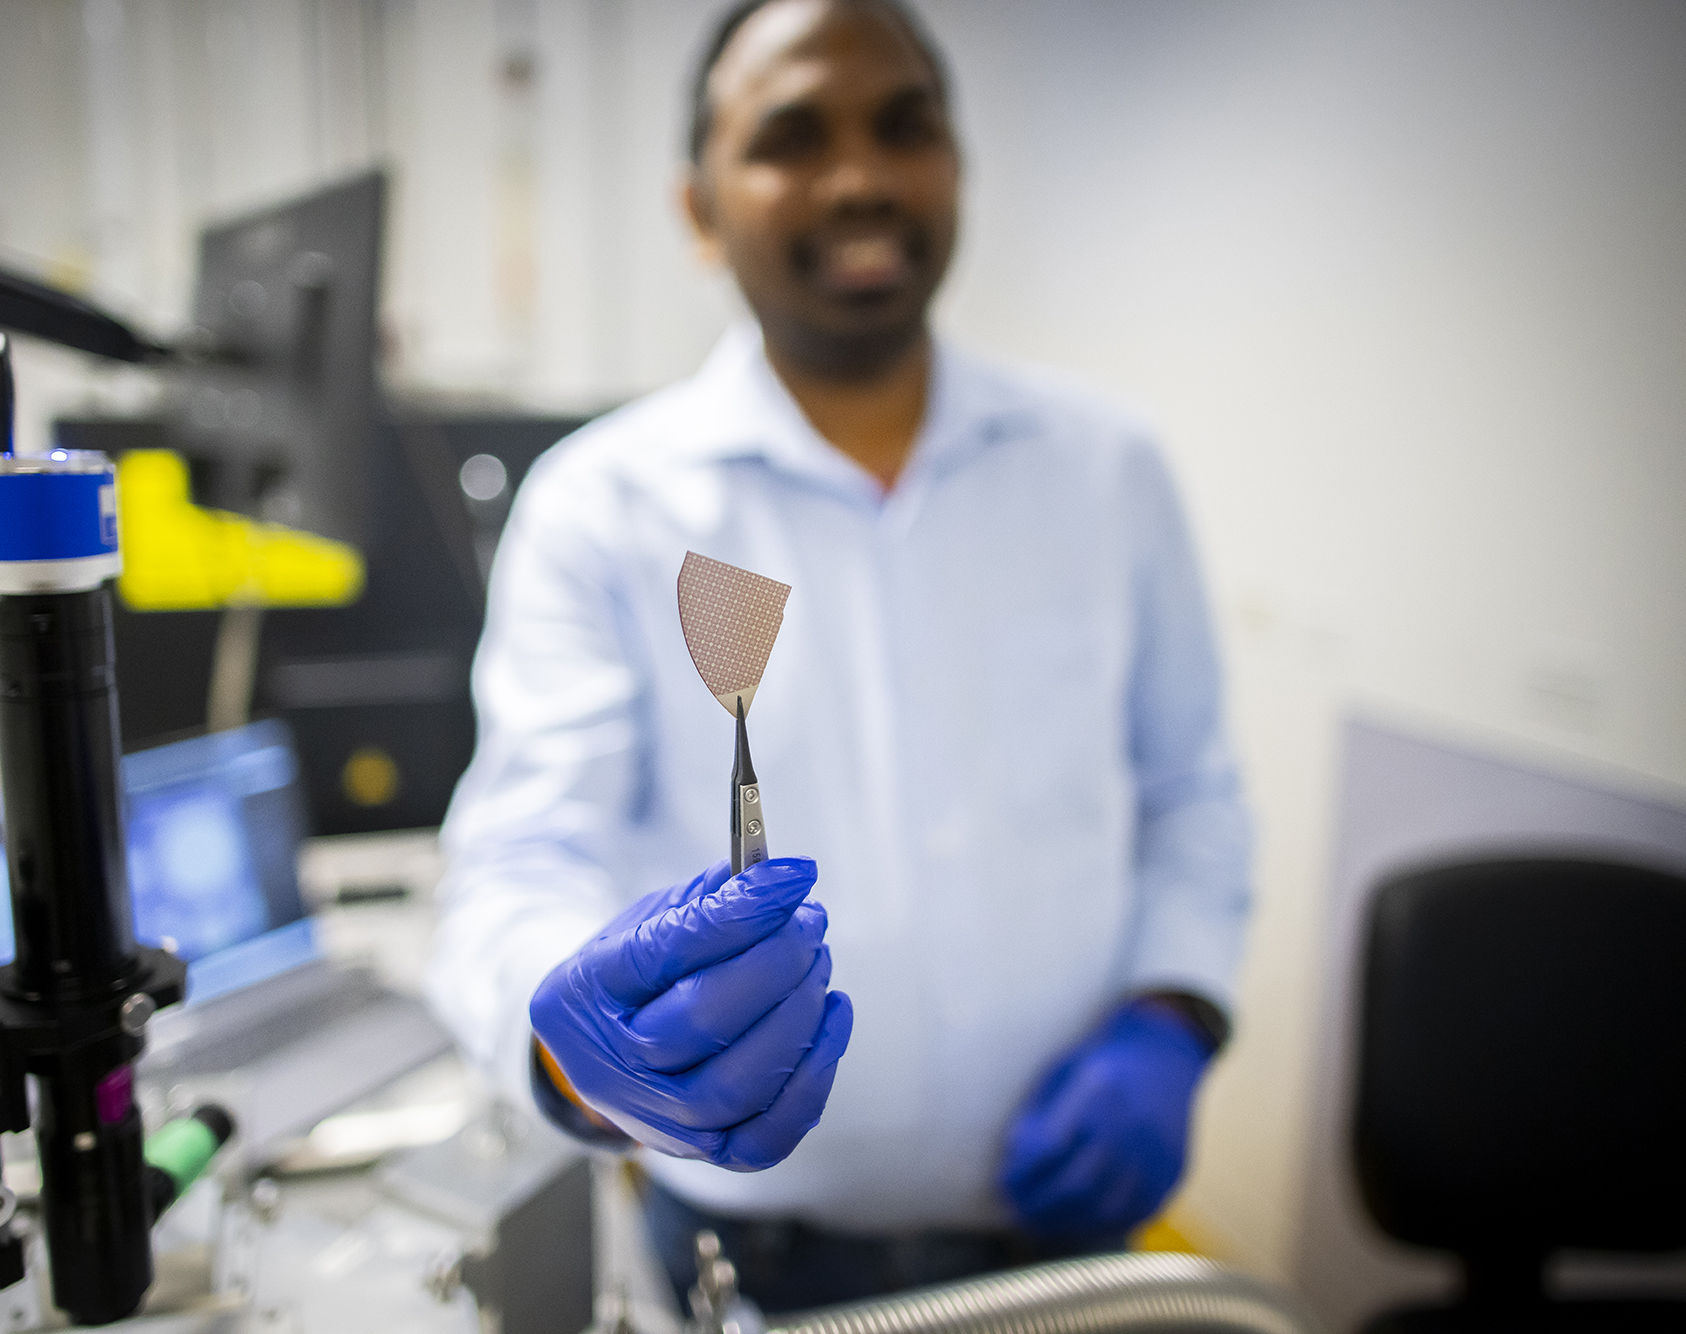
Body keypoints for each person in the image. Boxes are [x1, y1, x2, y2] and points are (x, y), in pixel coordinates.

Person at [426, 0, 1251, 1313]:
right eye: (792, 137)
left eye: (904, 127)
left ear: (958, 169)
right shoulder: (602, 504)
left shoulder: (1108, 472)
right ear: (699, 208)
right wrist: (573, 1042)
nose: (860, 176)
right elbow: (523, 854)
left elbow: (1192, 795)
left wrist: (1173, 1013)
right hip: (752, 1259)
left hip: (1071, 1237)